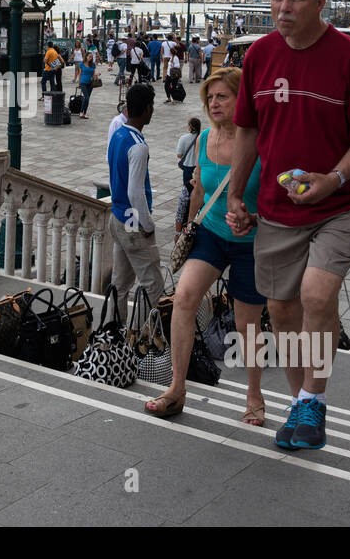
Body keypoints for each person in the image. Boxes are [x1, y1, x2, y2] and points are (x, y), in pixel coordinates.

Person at [227, 0, 350, 451]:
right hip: (279, 206)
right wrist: (235, 192)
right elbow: (248, 132)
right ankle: (301, 407)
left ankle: (313, 402)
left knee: (317, 294)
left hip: (343, 200)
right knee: (282, 309)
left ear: (320, 2)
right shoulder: (258, 56)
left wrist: (332, 179)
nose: (282, 7)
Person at [147, 68, 268, 422]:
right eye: (210, 98)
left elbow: (278, 196)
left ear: (240, 99)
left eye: (222, 97)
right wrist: (187, 225)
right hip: (212, 234)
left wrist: (254, 217)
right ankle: (177, 388)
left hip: (251, 240)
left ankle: (254, 395)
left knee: (248, 323)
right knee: (184, 299)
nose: (213, 103)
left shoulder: (260, 141)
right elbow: (198, 187)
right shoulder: (203, 141)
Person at [107, 83, 164, 321]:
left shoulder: (118, 133)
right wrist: (148, 227)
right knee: (154, 285)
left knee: (119, 284)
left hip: (117, 217)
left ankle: (113, 331)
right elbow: (136, 194)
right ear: (148, 109)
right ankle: (139, 337)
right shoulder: (138, 146)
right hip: (132, 221)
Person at [76, 51, 96, 119]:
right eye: (89, 56)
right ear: (86, 56)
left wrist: (96, 75)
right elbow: (80, 74)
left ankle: (85, 113)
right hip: (83, 82)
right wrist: (79, 83)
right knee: (86, 97)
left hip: (90, 83)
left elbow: (93, 74)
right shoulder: (81, 64)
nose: (90, 58)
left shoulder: (93, 64)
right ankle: (81, 112)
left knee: (87, 99)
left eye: (91, 57)